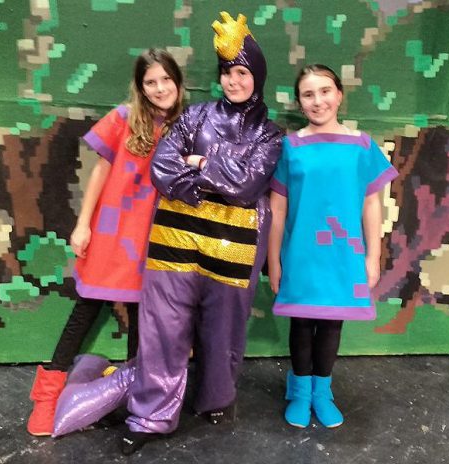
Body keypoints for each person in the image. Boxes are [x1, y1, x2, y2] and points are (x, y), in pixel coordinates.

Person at [51, 12, 283, 455]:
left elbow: (247, 185)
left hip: (233, 250)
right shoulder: (194, 115)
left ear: (256, 76)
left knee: (223, 332)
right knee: (161, 331)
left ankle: (216, 399)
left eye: (241, 73)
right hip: (175, 242)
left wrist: (199, 166)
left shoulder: (270, 134)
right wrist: (215, 175)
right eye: (226, 74)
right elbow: (163, 168)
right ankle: (151, 415)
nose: (233, 82)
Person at [26, 48, 184, 437]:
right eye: (151, 81)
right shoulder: (123, 118)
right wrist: (83, 225)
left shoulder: (188, 125)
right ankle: (46, 398)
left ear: (178, 83)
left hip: (157, 235)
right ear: (141, 87)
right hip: (113, 231)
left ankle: (132, 395)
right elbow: (100, 173)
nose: (160, 88)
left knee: (143, 318)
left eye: (166, 79)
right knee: (86, 309)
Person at [267, 64, 398, 429]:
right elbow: (277, 209)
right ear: (299, 101)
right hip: (302, 254)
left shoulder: (361, 146)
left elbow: (372, 204)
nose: (318, 100)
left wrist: (373, 256)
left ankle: (322, 392)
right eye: (308, 94)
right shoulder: (290, 147)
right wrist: (274, 260)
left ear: (339, 94)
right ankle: (301, 391)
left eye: (325, 91)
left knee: (331, 324)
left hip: (344, 254)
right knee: (303, 320)